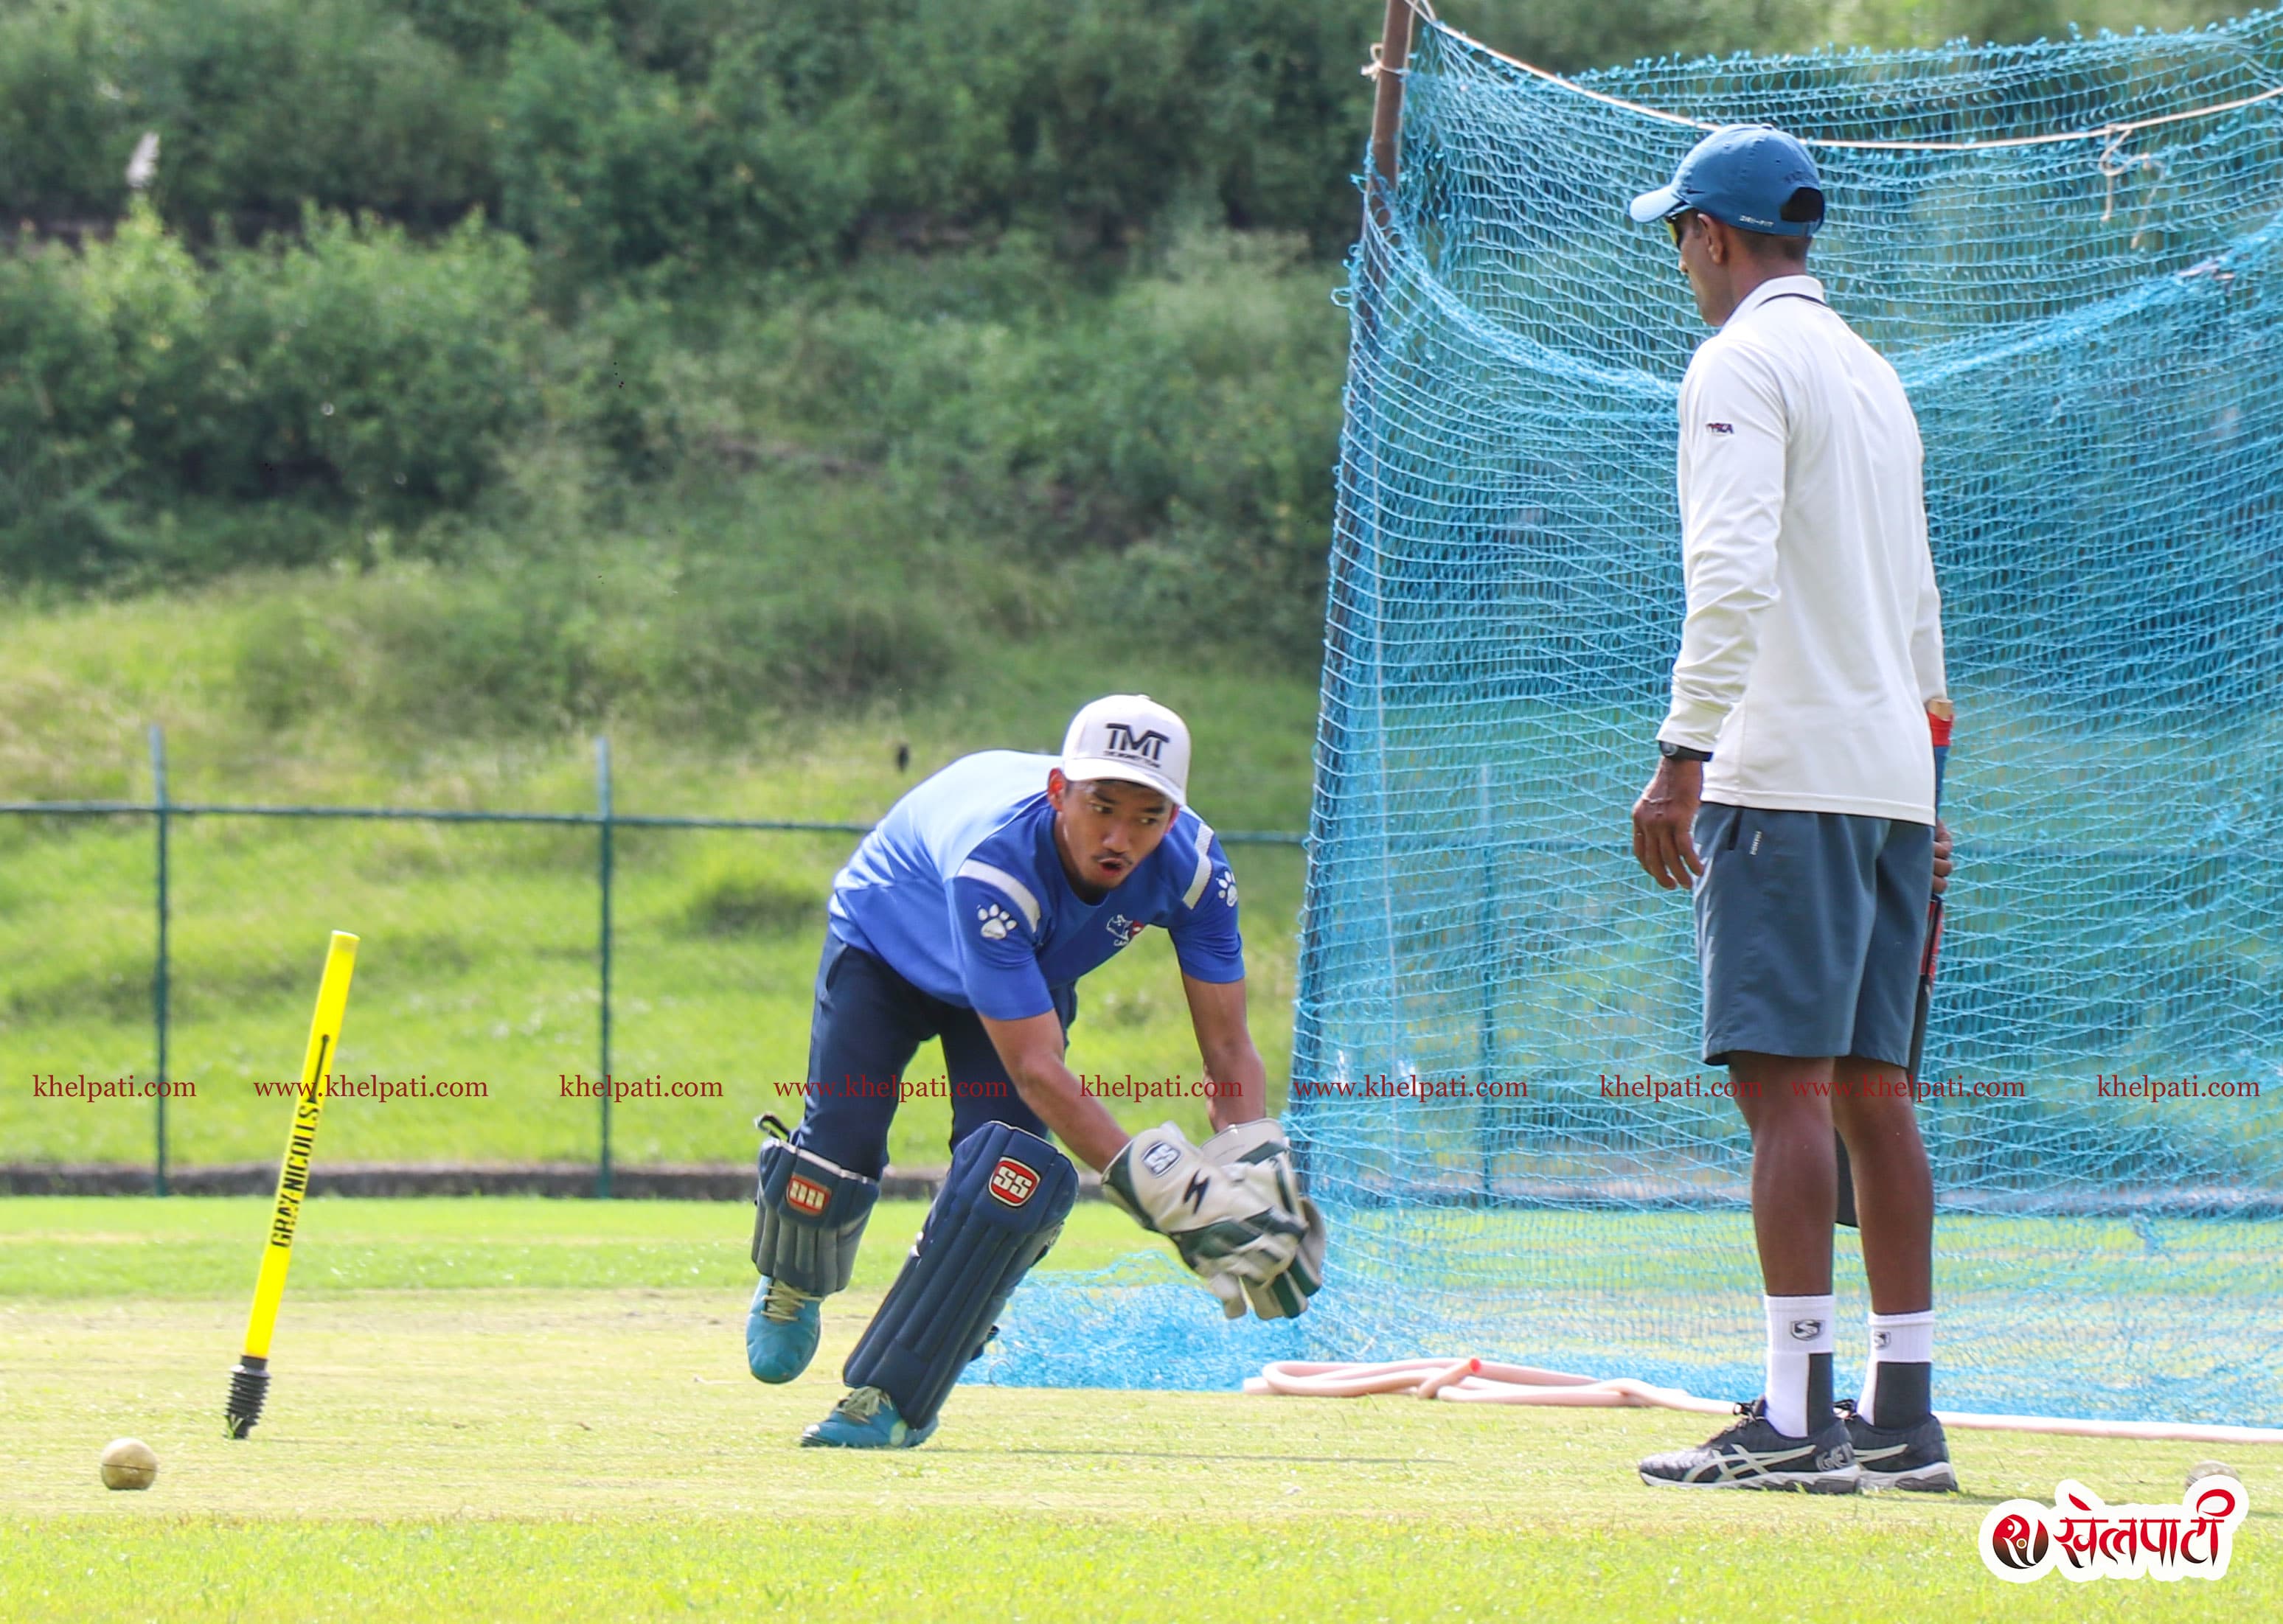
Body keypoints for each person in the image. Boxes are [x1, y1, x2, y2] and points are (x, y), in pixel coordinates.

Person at [1622, 126, 1957, 1492]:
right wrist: (1929, 790)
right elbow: (1924, 603)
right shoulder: (1875, 374)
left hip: (1786, 776)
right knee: (1878, 1093)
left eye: (1677, 240)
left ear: (1710, 233)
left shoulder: (1738, 362)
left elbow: (1734, 570)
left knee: (1785, 1093)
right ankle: (1902, 1416)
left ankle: (1792, 1413)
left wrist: (1681, 752)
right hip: (1886, 779)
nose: (1680, 265)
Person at [747, 694, 1325, 1448]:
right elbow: (1037, 1071)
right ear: (1060, 792)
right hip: (889, 941)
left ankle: (891, 1397)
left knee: (1007, 1182)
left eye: (1147, 817)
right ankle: (796, 1277)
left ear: (1175, 820)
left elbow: (1228, 1049)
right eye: (1101, 807)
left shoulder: (1195, 874)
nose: (1119, 836)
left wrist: (1250, 1155)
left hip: (1027, 965)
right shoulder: (996, 864)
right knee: (843, 1142)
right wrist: (1167, 1190)